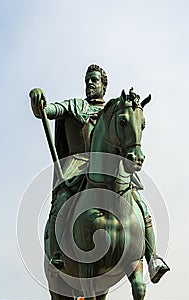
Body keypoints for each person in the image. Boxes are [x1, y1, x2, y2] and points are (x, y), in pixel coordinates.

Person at [29, 64, 169, 283]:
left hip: (110, 167)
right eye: (88, 81)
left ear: (104, 85)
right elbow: (47, 112)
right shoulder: (74, 106)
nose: (90, 84)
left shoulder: (113, 111)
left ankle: (152, 258)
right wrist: (38, 101)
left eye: (95, 80)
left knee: (139, 202)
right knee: (62, 201)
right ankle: (58, 254)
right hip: (78, 165)